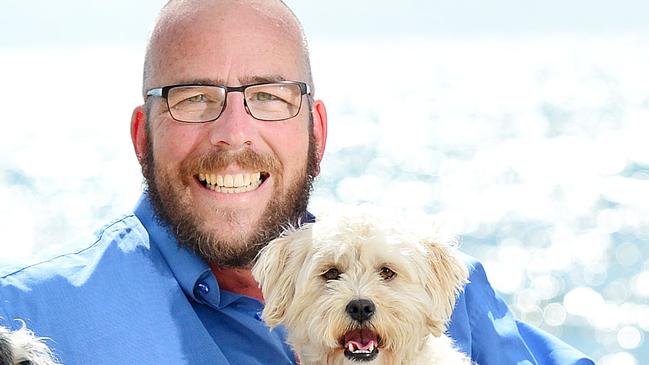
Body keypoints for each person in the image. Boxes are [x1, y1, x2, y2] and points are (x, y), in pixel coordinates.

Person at [0, 1, 595, 364]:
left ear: (316, 130)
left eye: (269, 96)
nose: (233, 134)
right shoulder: (26, 314)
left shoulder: (444, 291)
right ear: (141, 137)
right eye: (192, 99)